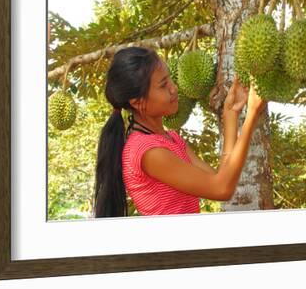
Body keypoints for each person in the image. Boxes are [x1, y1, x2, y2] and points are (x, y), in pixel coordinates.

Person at [92, 46, 267, 218]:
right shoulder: (147, 151)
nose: (174, 88)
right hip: (173, 245)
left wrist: (231, 114)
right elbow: (221, 189)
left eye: (169, 79)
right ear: (137, 102)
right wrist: (251, 115)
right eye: (163, 85)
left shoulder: (171, 139)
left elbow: (220, 178)